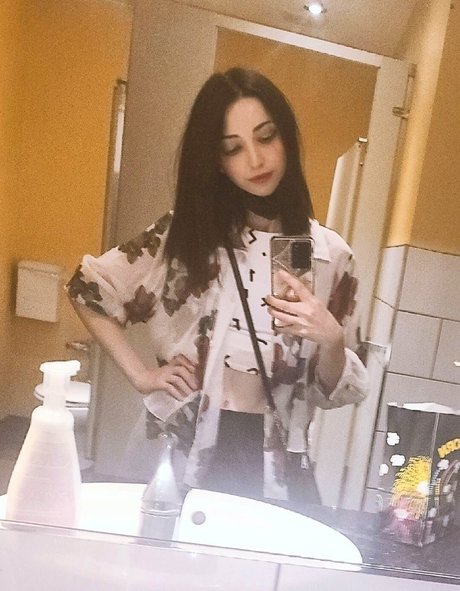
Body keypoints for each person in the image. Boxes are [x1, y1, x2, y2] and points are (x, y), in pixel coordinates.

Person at [66, 67, 368, 513]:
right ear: (216, 160)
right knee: (160, 553)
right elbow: (88, 288)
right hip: (180, 441)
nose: (256, 159)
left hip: (274, 461)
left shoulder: (330, 256)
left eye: (266, 137)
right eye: (233, 148)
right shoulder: (185, 236)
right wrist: (141, 375)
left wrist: (332, 339)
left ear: (286, 137)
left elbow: (335, 392)